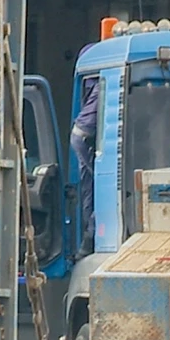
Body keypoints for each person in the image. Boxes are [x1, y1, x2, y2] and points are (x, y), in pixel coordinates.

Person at [70, 45, 99, 258]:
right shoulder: (100, 89)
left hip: (86, 142)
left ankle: (89, 238)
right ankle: (90, 237)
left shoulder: (96, 87)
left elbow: (79, 135)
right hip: (88, 142)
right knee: (91, 188)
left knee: (90, 188)